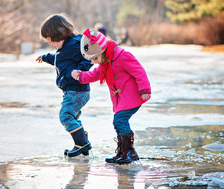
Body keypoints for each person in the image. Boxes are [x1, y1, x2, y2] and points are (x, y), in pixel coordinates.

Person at [71, 29, 151, 164]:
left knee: (119, 120)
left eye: (96, 58)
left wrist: (144, 89)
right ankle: (123, 151)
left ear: (102, 51)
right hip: (122, 99)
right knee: (118, 122)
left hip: (133, 97)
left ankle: (130, 152)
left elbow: (139, 71)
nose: (95, 62)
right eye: (92, 59)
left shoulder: (122, 56)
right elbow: (95, 74)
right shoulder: (105, 62)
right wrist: (80, 76)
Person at [36, 14, 93, 157]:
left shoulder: (74, 45)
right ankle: (83, 143)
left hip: (77, 90)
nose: (51, 45)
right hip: (73, 91)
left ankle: (82, 143)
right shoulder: (66, 47)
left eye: (51, 42)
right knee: (72, 116)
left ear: (59, 36)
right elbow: (59, 59)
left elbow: (88, 59)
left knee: (65, 116)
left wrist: (79, 71)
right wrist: (45, 57)